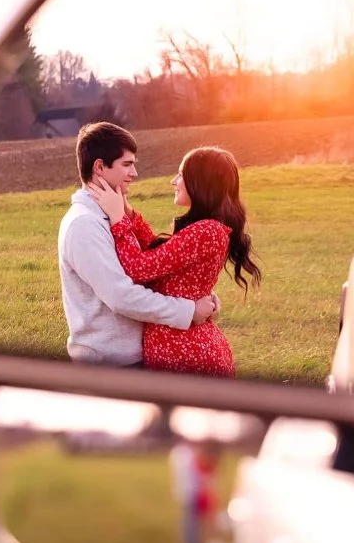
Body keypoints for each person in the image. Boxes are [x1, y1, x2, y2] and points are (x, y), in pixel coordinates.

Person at [89, 145, 261, 377]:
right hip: (184, 348)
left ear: (200, 182)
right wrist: (128, 212)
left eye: (181, 174)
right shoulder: (208, 228)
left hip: (185, 354)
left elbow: (139, 268)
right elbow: (161, 257)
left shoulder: (206, 231)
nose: (174, 181)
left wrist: (118, 219)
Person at [57, 122, 219, 367]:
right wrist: (188, 311)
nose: (134, 173)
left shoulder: (111, 215)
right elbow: (122, 297)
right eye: (127, 164)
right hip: (111, 364)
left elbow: (152, 266)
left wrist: (195, 291)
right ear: (100, 167)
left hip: (136, 357)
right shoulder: (84, 224)